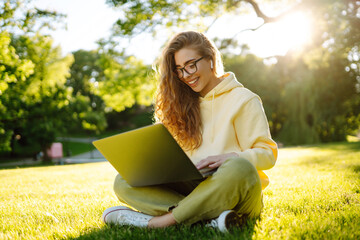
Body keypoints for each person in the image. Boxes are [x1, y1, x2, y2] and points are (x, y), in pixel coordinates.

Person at [102, 31, 278, 232]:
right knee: (124, 181)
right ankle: (210, 220)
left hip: (235, 191)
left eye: (191, 65)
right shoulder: (181, 105)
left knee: (239, 167)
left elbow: (268, 153)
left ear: (210, 59)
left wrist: (232, 157)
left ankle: (157, 223)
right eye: (179, 69)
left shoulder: (244, 99)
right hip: (195, 188)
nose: (186, 75)